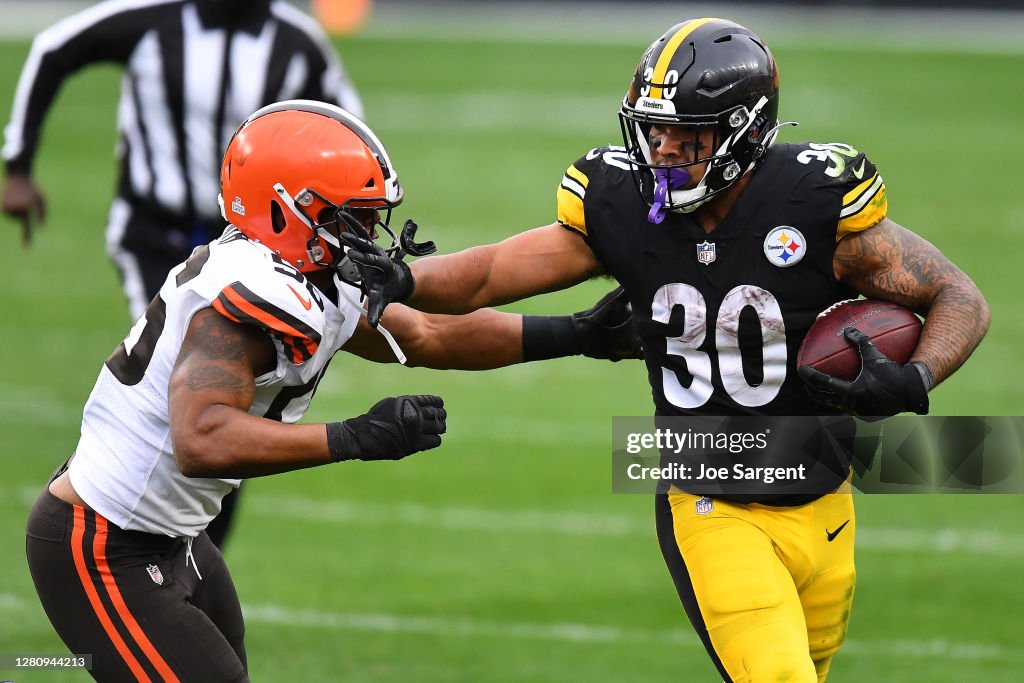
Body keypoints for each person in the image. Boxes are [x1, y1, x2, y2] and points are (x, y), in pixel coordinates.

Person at [340, 18, 991, 683]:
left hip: (825, 499)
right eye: (655, 129)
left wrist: (916, 374)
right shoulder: (622, 203)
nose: (665, 148)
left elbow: (959, 297)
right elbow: (488, 274)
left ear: (745, 130)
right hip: (711, 501)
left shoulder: (814, 200)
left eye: (689, 134)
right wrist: (412, 278)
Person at [24, 100, 637, 682]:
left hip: (172, 534)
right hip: (104, 542)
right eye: (354, 214)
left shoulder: (307, 274)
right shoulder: (253, 292)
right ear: (285, 210)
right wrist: (354, 438)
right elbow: (202, 438)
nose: (369, 230)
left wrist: (580, 334)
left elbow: (426, 333)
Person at [2, 0, 363, 548]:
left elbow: (347, 129)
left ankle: (193, 555)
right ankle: (117, 535)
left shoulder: (298, 39)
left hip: (260, 244)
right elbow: (55, 49)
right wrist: (18, 163)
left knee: (232, 407)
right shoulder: (152, 19)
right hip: (157, 236)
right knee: (186, 392)